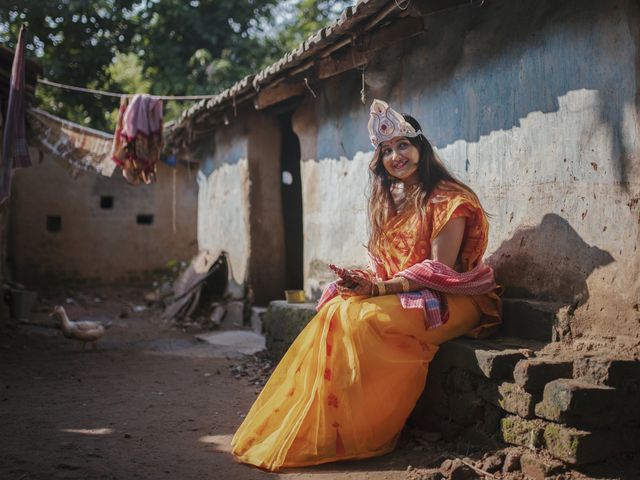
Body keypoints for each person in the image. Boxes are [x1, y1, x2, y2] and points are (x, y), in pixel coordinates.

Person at [231, 99, 501, 471]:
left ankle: (368, 432)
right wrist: (362, 281)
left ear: (421, 148)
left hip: (455, 299)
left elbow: (439, 273)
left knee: (365, 320)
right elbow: (389, 267)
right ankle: (331, 429)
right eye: (386, 150)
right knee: (335, 310)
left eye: (403, 145)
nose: (396, 156)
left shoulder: (450, 199)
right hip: (410, 293)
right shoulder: (393, 203)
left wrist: (379, 290)